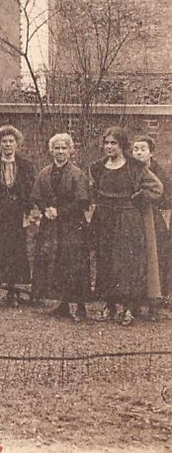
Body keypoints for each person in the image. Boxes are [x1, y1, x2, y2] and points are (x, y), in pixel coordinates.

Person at [89, 127, 162, 326]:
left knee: (127, 264)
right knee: (106, 261)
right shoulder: (97, 167)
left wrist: (139, 197)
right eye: (107, 143)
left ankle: (128, 307)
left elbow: (156, 188)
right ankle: (110, 305)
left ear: (122, 145)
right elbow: (93, 190)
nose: (109, 147)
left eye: (114, 143)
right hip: (104, 219)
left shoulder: (135, 167)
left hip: (127, 219)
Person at [31, 132, 91, 322]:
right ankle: (63, 304)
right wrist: (45, 209)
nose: (60, 151)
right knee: (56, 263)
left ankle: (80, 306)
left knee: (74, 263)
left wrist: (60, 211)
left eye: (64, 148)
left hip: (73, 226)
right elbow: (37, 195)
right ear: (51, 150)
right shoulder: (45, 172)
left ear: (70, 151)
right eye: (57, 148)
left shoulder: (77, 174)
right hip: (51, 225)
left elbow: (82, 201)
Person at [0, 125, 36, 308]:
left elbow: (29, 191)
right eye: (4, 141)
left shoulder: (26, 165)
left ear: (17, 143)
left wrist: (28, 213)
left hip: (16, 214)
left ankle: (12, 292)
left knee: (16, 252)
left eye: (11, 141)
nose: (7, 145)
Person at [131, 135, 171, 320]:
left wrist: (145, 197)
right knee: (136, 258)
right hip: (133, 218)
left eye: (143, 149)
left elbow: (165, 196)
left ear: (151, 152)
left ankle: (154, 304)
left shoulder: (158, 172)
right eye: (135, 149)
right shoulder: (129, 169)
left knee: (155, 259)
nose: (138, 152)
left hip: (153, 219)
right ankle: (136, 301)